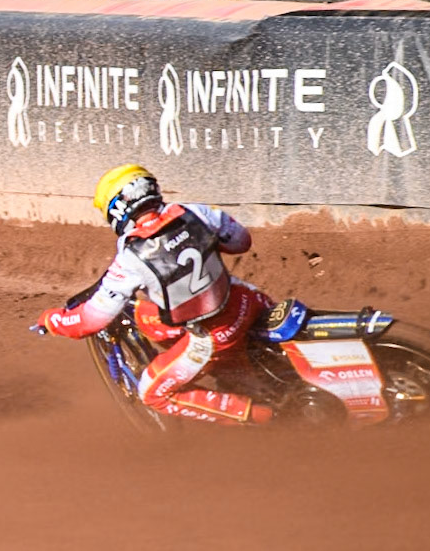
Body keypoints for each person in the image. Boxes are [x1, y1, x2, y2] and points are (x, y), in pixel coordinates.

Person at [35, 165, 276, 425]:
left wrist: (53, 320)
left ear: (116, 209)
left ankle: (268, 419)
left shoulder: (132, 257)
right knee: (151, 320)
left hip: (213, 335)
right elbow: (241, 242)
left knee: (152, 393)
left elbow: (92, 321)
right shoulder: (197, 212)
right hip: (246, 300)